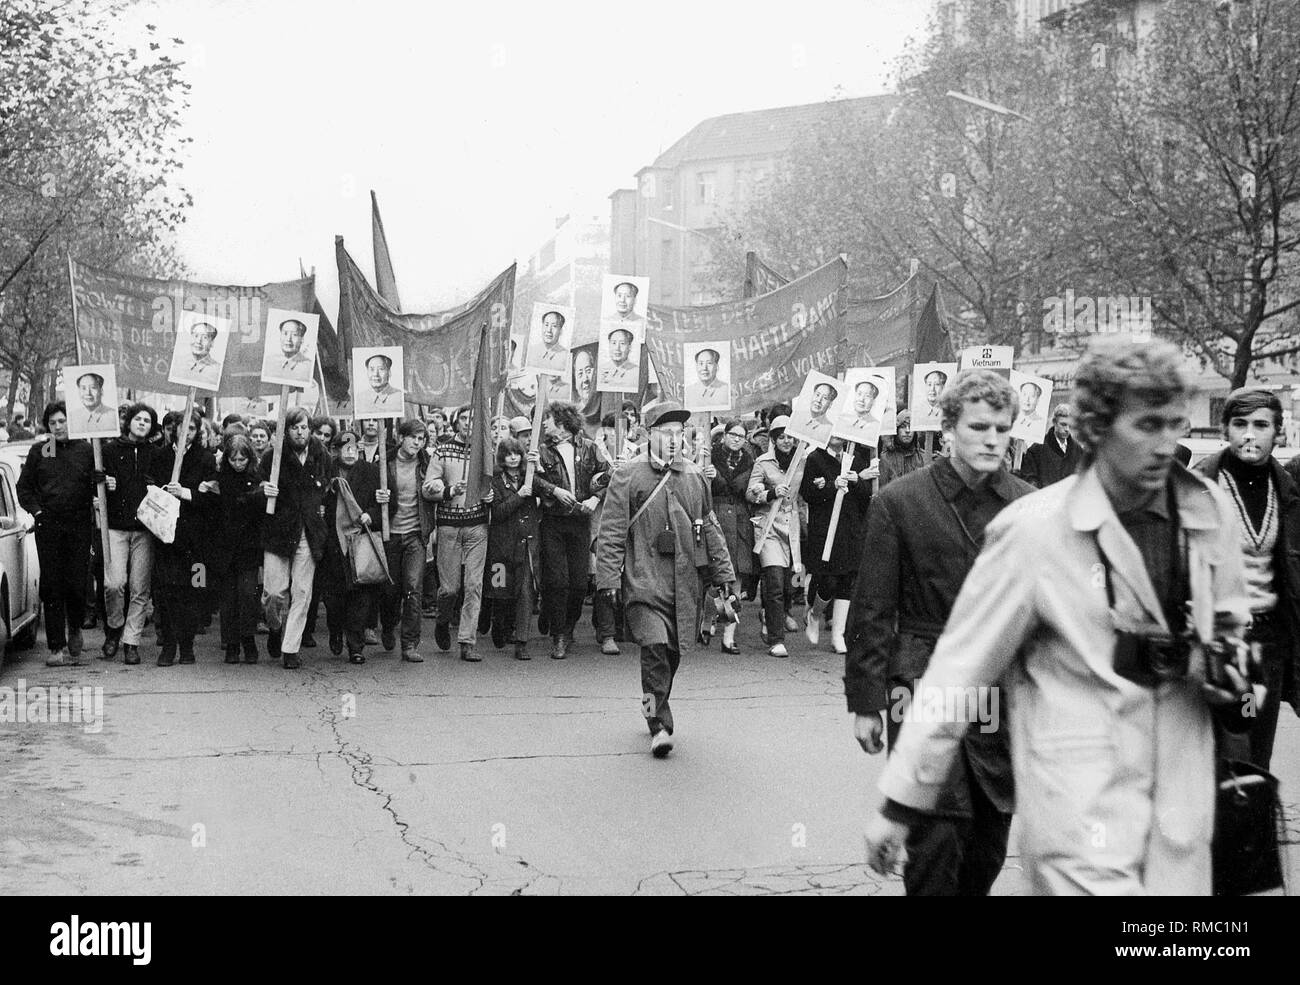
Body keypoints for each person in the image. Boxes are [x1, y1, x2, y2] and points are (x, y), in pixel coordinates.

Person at [863, 343, 1256, 895]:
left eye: (1175, 424)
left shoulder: (1209, 513)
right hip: (1080, 809)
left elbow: (1237, 636)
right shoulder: (1035, 531)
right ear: (1096, 427)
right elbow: (957, 674)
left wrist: (1227, 669)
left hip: (1181, 809)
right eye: (1146, 425)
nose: (1167, 444)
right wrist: (901, 802)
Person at [845, 369, 1031, 895]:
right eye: (978, 426)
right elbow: (873, 608)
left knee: (988, 845)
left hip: (1000, 692)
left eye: (1002, 427)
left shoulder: (1027, 504)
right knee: (933, 843)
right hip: (921, 681)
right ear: (948, 429)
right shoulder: (900, 502)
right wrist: (866, 700)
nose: (992, 439)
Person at [595, 400, 735, 758]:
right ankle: (658, 724)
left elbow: (711, 527)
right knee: (653, 650)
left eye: (680, 434)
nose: (675, 440)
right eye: (667, 433)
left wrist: (724, 576)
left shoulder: (693, 476)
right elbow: (611, 531)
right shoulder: (627, 475)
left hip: (683, 584)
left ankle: (651, 705)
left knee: (671, 656)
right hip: (643, 578)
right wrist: (608, 580)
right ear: (649, 435)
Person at [1193, 387, 1300, 771]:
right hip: (1221, 645)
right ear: (1226, 429)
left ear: (1278, 433)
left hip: (1268, 648)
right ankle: (1224, 826)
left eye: (1261, 425)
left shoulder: (1287, 490)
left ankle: (1251, 828)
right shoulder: (1200, 486)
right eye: (1240, 424)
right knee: (1226, 751)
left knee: (1256, 752)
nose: (1250, 434)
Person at [16, 402, 96, 666]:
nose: (58, 427)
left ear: (70, 422)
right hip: (49, 525)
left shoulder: (86, 449)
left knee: (76, 583)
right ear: (47, 426)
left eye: (62, 421)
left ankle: (74, 627)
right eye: (53, 423)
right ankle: (56, 646)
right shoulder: (40, 450)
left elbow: (96, 486)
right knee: (52, 585)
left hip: (79, 525)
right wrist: (38, 512)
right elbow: (24, 487)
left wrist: (100, 483)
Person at [530, 401, 609, 659]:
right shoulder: (540, 450)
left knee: (578, 583)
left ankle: (569, 624)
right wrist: (554, 490)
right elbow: (530, 478)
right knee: (557, 581)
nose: (543, 423)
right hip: (553, 520)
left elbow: (608, 474)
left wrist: (595, 499)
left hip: (580, 521)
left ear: (562, 423)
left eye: (548, 419)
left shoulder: (589, 448)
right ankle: (559, 635)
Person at [260, 406, 334, 669]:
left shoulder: (320, 454)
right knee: (273, 594)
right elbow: (259, 486)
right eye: (294, 427)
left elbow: (327, 484)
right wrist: (264, 489)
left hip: (309, 531)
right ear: (286, 430)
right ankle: (275, 626)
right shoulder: (273, 456)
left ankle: (291, 648)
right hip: (279, 531)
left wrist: (320, 505)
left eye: (304, 427)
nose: (300, 432)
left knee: (302, 592)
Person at [427, 407, 493, 661]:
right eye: (465, 418)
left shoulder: (485, 454)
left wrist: (491, 495)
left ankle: (467, 640)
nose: (469, 423)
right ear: (456, 424)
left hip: (477, 525)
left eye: (474, 419)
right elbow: (428, 487)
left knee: (474, 585)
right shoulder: (442, 451)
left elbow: (492, 483)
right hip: (450, 525)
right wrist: (449, 489)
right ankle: (443, 621)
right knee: (450, 589)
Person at [152, 409, 217, 666]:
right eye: (182, 428)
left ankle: (187, 646)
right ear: (174, 429)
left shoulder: (206, 459)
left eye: (191, 429)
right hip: (166, 536)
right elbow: (150, 486)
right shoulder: (160, 456)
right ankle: (168, 646)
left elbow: (212, 497)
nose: (186, 433)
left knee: (192, 591)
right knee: (167, 592)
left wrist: (187, 492)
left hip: (194, 538)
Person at [801, 436, 876, 654]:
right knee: (828, 579)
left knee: (847, 580)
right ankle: (814, 614)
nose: (837, 437)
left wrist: (857, 481)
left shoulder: (855, 459)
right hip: (825, 528)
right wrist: (832, 486)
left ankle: (838, 635)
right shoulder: (816, 458)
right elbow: (807, 493)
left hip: (851, 527)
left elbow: (867, 495)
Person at [100, 402, 162, 665]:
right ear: (128, 422)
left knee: (140, 587)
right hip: (115, 526)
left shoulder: (156, 453)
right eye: (138, 419)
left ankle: (131, 642)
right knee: (114, 584)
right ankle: (114, 627)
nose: (142, 424)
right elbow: (95, 482)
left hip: (144, 529)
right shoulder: (109, 450)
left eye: (147, 421)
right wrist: (102, 481)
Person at [326, 428, 387, 665]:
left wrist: (372, 514)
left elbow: (386, 507)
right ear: (337, 450)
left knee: (360, 597)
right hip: (333, 542)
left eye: (354, 448)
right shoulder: (327, 471)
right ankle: (334, 631)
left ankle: (355, 645)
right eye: (345, 448)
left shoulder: (373, 472)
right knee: (334, 598)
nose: (350, 452)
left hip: (360, 540)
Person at [380, 418, 438, 662]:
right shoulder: (385, 462)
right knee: (390, 590)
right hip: (390, 533)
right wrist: (378, 496)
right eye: (413, 437)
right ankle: (388, 625)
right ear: (401, 437)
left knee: (413, 589)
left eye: (422, 438)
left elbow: (435, 488)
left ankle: (409, 644)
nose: (417, 442)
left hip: (416, 534)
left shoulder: (427, 463)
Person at [747, 415, 802, 657]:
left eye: (790, 437)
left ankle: (769, 615)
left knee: (790, 586)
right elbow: (750, 493)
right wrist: (770, 493)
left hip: (792, 528)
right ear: (773, 439)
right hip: (769, 527)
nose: (787, 441)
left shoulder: (802, 461)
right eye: (781, 437)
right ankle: (776, 640)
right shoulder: (762, 462)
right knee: (775, 583)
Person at [213, 431, 264, 663]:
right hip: (225, 546)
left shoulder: (257, 477)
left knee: (248, 594)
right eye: (233, 459)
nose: (237, 464)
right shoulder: (221, 478)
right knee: (228, 598)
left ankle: (248, 638)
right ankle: (232, 643)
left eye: (242, 459)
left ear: (249, 458)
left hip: (249, 547)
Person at [487, 437, 540, 660]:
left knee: (525, 592)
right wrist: (519, 496)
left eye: (516, 453)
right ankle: (500, 626)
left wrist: (538, 467)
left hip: (525, 545)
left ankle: (522, 642)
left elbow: (545, 487)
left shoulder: (530, 478)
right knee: (500, 593)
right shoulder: (496, 482)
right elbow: (497, 513)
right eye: (508, 454)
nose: (513, 458)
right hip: (501, 548)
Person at [710, 419, 755, 651]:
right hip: (714, 515)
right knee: (711, 575)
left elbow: (751, 489)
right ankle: (708, 622)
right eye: (733, 434)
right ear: (724, 435)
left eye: (741, 436)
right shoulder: (709, 455)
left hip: (739, 519)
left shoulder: (750, 461)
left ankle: (729, 636)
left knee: (736, 577)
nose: (737, 439)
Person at [1020, 403, 1082, 488]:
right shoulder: (1036, 450)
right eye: (1063, 424)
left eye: (1069, 425)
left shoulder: (1077, 449)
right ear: (1054, 422)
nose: (1067, 429)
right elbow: (1030, 481)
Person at [877, 410, 928, 488]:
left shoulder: (923, 457)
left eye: (910, 427)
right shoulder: (886, 458)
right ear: (896, 430)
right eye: (903, 427)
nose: (907, 431)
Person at [179, 320, 222, 387]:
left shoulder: (218, 370)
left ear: (212, 343)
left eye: (205, 337)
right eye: (196, 335)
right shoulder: (178, 362)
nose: (198, 341)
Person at [532, 310, 569, 374]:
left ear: (561, 331)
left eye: (554, 326)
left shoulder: (566, 357)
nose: (549, 330)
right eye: (546, 325)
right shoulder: (532, 351)